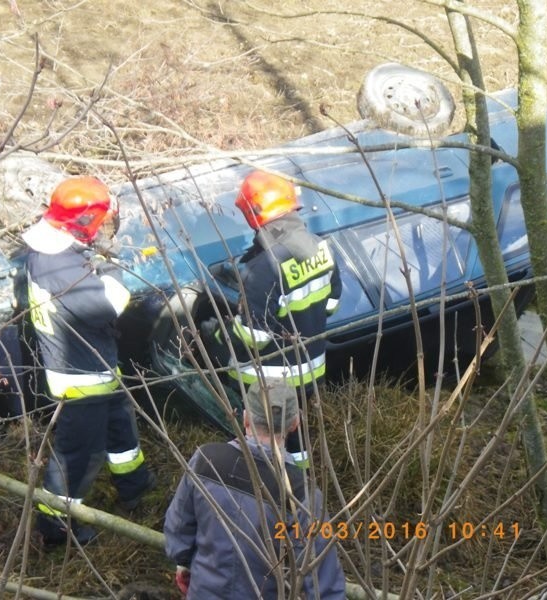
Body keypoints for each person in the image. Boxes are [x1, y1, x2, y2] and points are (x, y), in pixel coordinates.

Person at [23, 176, 155, 546]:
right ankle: (55, 527)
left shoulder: (54, 253)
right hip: (79, 378)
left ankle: (135, 485)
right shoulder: (57, 265)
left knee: (120, 431)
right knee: (77, 456)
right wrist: (112, 270)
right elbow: (108, 305)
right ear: (83, 222)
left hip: (98, 370)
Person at [204, 170, 341, 467]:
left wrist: (220, 331)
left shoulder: (263, 268)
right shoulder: (321, 247)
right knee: (296, 430)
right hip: (311, 369)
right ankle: (301, 479)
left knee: (265, 438)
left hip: (268, 380)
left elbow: (255, 337)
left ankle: (268, 484)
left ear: (254, 212)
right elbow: (331, 304)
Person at [164, 378, 346, 599]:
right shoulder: (301, 493)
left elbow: (178, 530)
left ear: (245, 418)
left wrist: (183, 563)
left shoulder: (205, 460)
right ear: (295, 424)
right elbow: (322, 584)